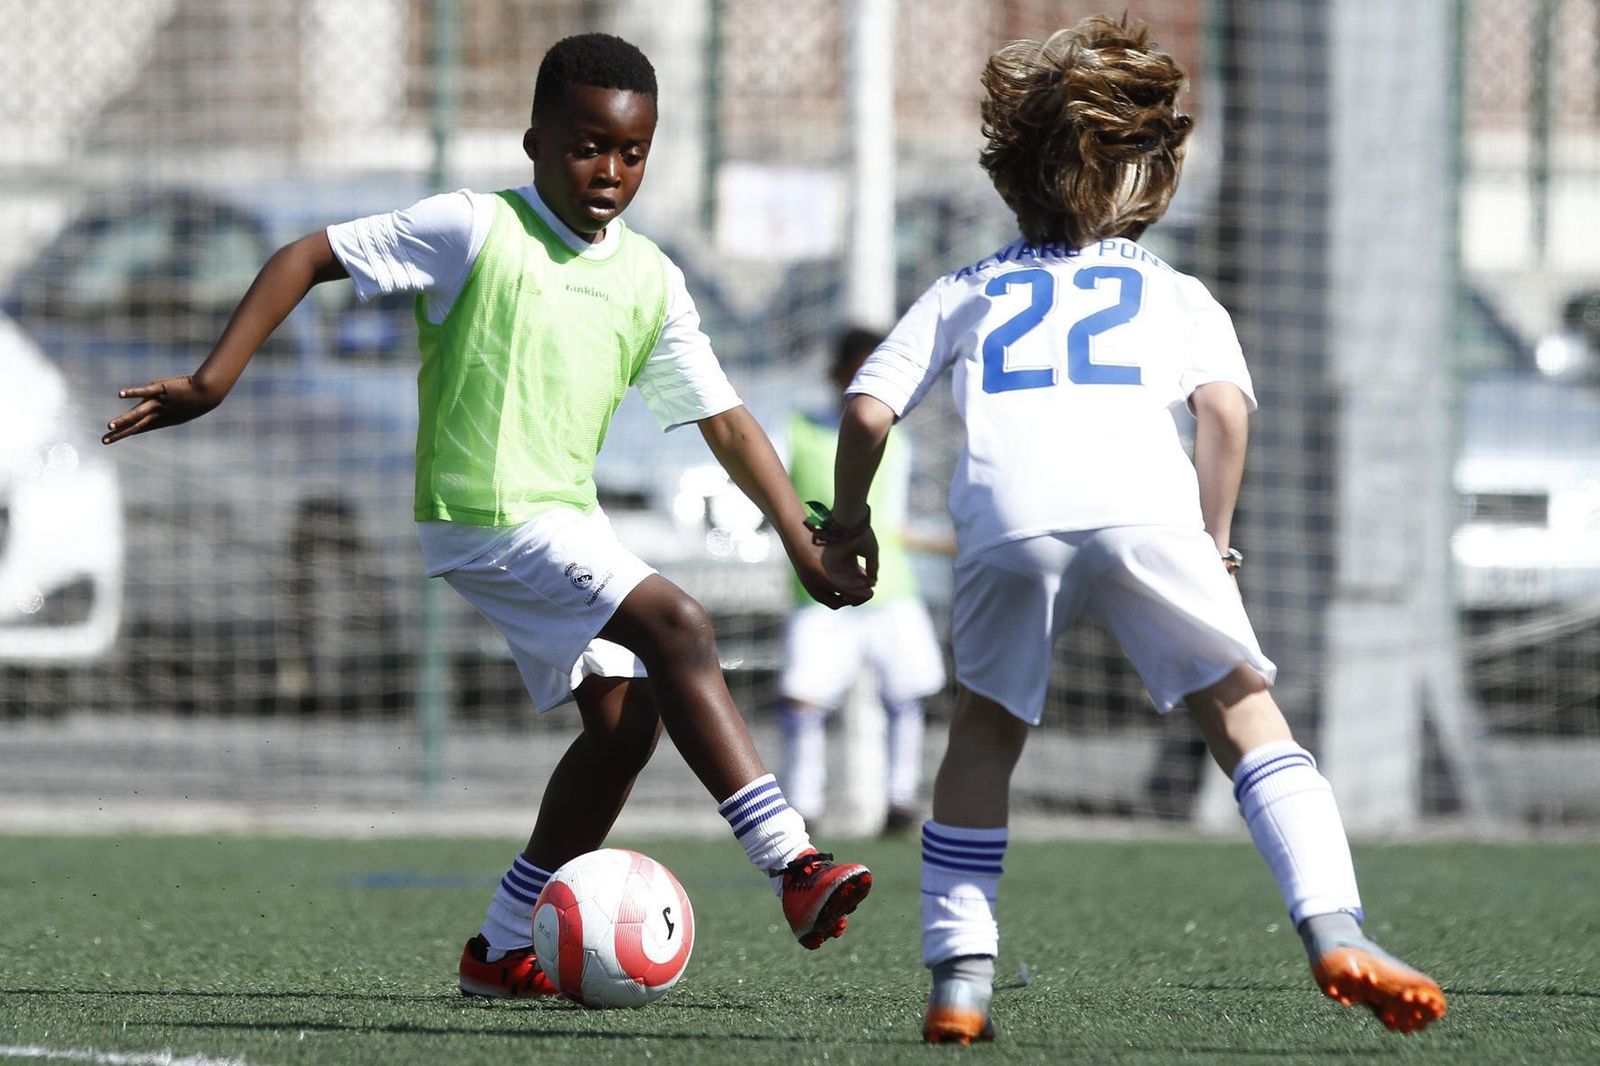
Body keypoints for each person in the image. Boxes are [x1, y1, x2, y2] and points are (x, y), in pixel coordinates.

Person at [103, 31, 872, 999]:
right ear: (534, 140)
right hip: (482, 516)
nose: (610, 170)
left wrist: (803, 544)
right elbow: (306, 253)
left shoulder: (650, 278)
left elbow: (727, 423)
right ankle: (792, 863)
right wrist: (215, 380)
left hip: (566, 522)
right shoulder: (473, 227)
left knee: (624, 728)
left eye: (632, 152)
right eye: (587, 144)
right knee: (680, 623)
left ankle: (501, 946)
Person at [814, 15, 1446, 1045]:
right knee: (1244, 714)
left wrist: (845, 526)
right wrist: (1213, 536)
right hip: (1145, 507)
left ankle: (959, 975)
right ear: (1140, 176)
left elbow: (865, 411)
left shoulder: (964, 289)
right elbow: (1226, 415)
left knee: (984, 733)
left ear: (1010, 176)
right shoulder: (1172, 291)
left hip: (1008, 522)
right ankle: (1336, 929)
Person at [777, 326, 946, 833]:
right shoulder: (797, 430)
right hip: (821, 592)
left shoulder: (899, 439)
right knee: (804, 700)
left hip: (891, 589)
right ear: (840, 370)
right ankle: (802, 807)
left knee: (908, 695)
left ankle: (900, 801)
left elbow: (893, 520)